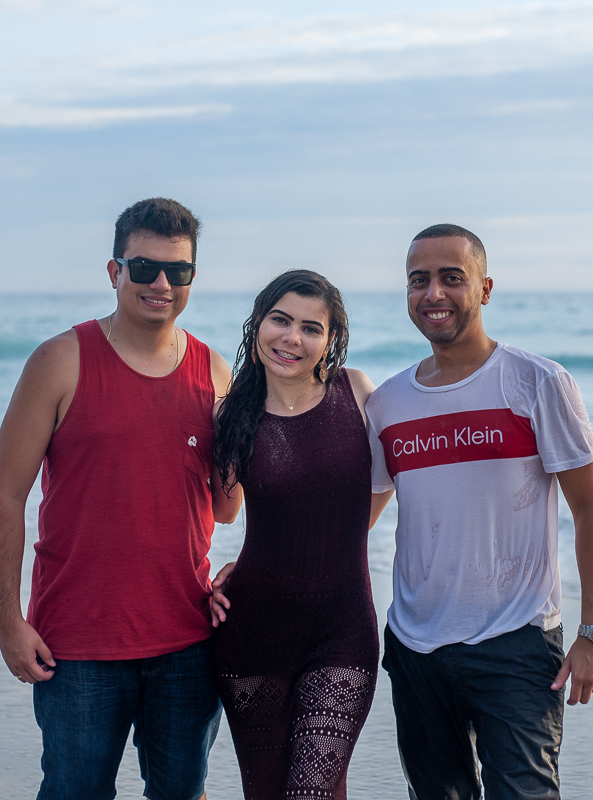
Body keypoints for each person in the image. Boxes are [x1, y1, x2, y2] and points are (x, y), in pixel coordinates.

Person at [0, 197, 237, 800]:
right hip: (77, 646)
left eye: (178, 270)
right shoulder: (59, 361)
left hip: (187, 641)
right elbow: (4, 495)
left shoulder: (214, 372)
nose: (161, 284)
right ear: (114, 271)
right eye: (144, 267)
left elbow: (227, 507)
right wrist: (8, 622)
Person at [366, 224, 593, 800]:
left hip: (515, 642)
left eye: (452, 278)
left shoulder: (538, 382)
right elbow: (358, 519)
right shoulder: (388, 403)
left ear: (484, 288)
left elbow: (590, 508)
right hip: (415, 647)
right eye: (419, 280)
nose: (433, 294)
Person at [206, 270, 394, 800]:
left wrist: (330, 543)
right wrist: (209, 577)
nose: (292, 338)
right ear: (258, 324)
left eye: (311, 328)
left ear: (331, 339)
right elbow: (221, 513)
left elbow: (384, 484)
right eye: (281, 320)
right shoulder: (230, 414)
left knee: (311, 791)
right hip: (252, 632)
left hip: (342, 631)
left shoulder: (357, 393)